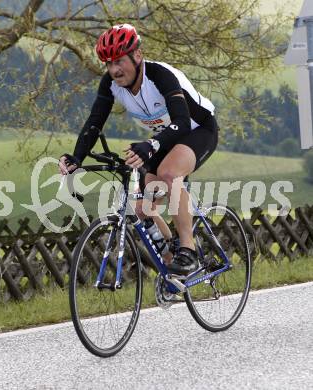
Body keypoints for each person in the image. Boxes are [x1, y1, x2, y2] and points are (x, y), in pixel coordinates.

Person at [59, 24, 219, 275]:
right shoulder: (110, 84)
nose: (114, 70)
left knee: (168, 173)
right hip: (166, 138)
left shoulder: (160, 76)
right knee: (142, 208)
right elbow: (94, 122)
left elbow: (182, 121)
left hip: (197, 129)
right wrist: (76, 157)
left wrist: (152, 144)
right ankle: (172, 263)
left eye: (119, 61)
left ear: (137, 56)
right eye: (108, 64)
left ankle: (189, 251)